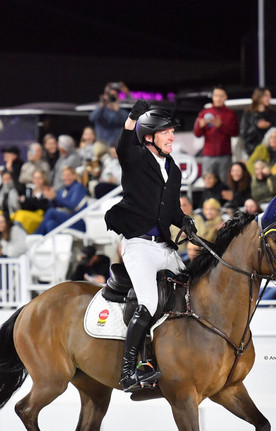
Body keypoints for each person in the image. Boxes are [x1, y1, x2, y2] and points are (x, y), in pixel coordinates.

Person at [104, 101, 193, 392]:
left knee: (192, 290)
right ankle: (129, 370)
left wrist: (184, 222)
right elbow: (122, 147)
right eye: (166, 132)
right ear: (150, 136)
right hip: (139, 246)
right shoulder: (137, 158)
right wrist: (131, 118)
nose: (171, 137)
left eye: (172, 133)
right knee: (150, 302)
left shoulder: (174, 169)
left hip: (164, 247)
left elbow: (170, 209)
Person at [193, 86, 239, 181]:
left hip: (225, 155)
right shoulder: (204, 113)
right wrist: (200, 126)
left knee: (225, 182)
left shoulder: (230, 114)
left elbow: (235, 132)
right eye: (216, 95)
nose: (219, 98)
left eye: (221, 96)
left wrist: (221, 125)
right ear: (213, 97)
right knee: (209, 182)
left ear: (225, 97)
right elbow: (197, 134)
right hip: (208, 155)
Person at [34, 165, 88, 235]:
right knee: (50, 224)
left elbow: (73, 205)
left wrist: (55, 196)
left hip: (80, 222)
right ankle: (50, 245)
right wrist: (51, 198)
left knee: (51, 212)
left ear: (74, 176)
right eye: (64, 175)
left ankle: (36, 236)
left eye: (68, 175)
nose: (65, 177)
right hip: (70, 219)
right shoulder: (64, 190)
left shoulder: (78, 187)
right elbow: (55, 206)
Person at [240, 87, 276, 156]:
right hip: (253, 150)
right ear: (259, 96)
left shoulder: (272, 114)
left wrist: (268, 126)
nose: (269, 98)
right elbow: (244, 134)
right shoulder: (248, 114)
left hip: (270, 151)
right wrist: (256, 127)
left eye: (269, 96)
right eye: (266, 95)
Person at [89, 81, 130, 147]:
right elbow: (92, 118)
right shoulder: (101, 110)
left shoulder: (122, 112)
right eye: (110, 96)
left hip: (116, 146)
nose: (112, 98)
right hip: (102, 145)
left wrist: (117, 110)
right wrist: (102, 106)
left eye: (114, 96)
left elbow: (128, 122)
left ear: (118, 98)